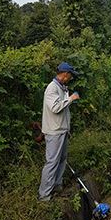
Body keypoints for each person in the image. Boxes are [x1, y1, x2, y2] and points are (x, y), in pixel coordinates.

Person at [38, 62, 81, 201]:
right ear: (65, 74)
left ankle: (57, 186)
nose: (70, 78)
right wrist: (70, 99)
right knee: (52, 162)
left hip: (62, 130)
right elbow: (55, 108)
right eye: (70, 75)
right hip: (54, 132)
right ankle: (44, 195)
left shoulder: (61, 87)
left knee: (62, 160)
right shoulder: (52, 88)